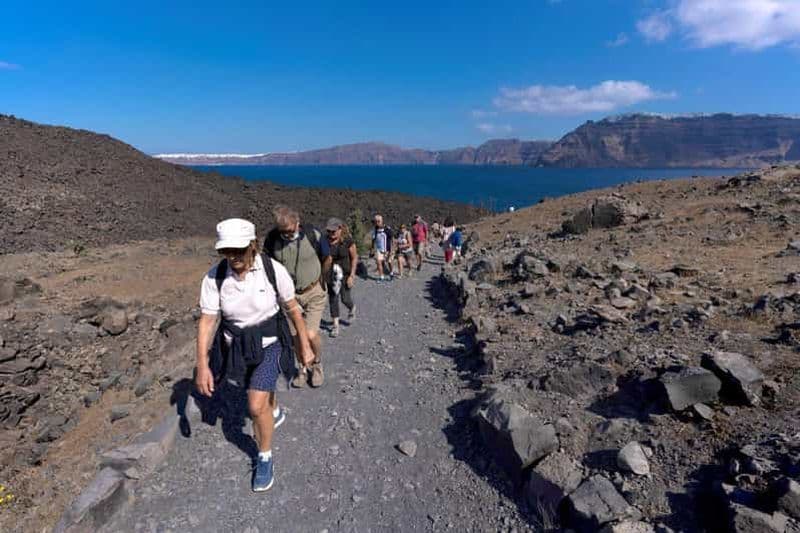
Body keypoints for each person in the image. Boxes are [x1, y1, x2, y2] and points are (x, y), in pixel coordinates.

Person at [196, 218, 314, 492]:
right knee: (259, 394)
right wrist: (202, 364)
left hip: (270, 344)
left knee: (253, 405)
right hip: (235, 348)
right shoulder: (215, 278)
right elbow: (207, 321)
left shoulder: (272, 270)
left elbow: (292, 308)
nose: (233, 257)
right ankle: (274, 410)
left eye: (239, 250)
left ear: (252, 245)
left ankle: (264, 456)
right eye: (227, 251)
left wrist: (304, 344)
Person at [264, 206, 331, 388]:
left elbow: (327, 257)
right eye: (282, 232)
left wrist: (323, 280)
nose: (286, 235)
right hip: (290, 296)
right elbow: (268, 266)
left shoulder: (313, 234)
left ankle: (316, 364)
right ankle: (302, 367)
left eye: (290, 231)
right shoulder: (272, 240)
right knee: (295, 336)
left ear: (298, 223)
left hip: (314, 291)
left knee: (310, 333)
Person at [325, 217, 357, 338]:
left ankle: (352, 307)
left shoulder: (347, 241)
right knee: (333, 299)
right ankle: (335, 325)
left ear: (340, 229)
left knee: (345, 299)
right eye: (329, 231)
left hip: (345, 274)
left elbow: (354, 257)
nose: (331, 234)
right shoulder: (325, 241)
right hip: (331, 275)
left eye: (333, 231)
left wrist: (352, 276)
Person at [370, 214, 393, 281]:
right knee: (378, 262)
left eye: (378, 221)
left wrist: (391, 250)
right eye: (376, 221)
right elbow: (373, 239)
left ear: (382, 221)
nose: (377, 223)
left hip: (387, 249)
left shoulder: (387, 229)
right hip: (379, 249)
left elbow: (392, 239)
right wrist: (372, 248)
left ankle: (391, 273)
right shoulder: (375, 229)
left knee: (389, 262)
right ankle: (381, 276)